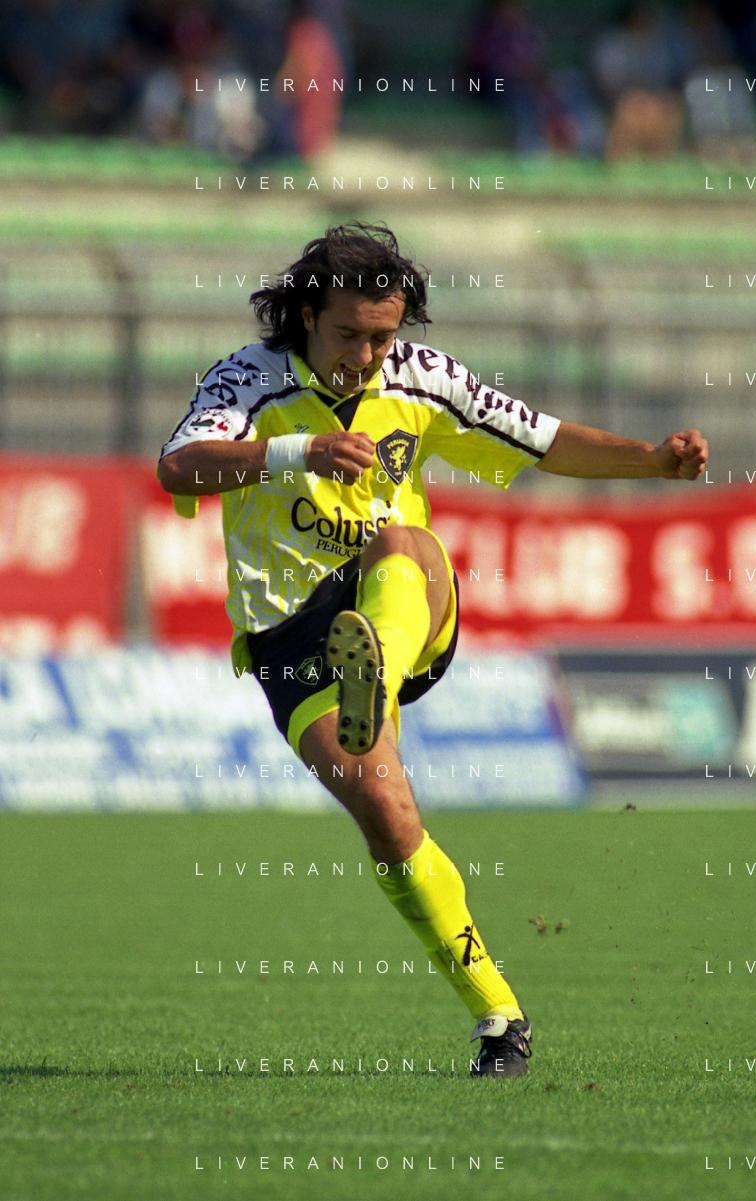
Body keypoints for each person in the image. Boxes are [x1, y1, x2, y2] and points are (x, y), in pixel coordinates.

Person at [157, 222, 708, 1077]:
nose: (366, 356)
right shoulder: (247, 379)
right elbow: (180, 466)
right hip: (291, 633)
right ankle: (500, 1018)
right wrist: (299, 451)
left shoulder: (423, 378)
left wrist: (652, 462)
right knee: (387, 816)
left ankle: (373, 666)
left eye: (382, 337)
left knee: (400, 541)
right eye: (350, 334)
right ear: (307, 316)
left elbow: (541, 438)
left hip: (405, 602)